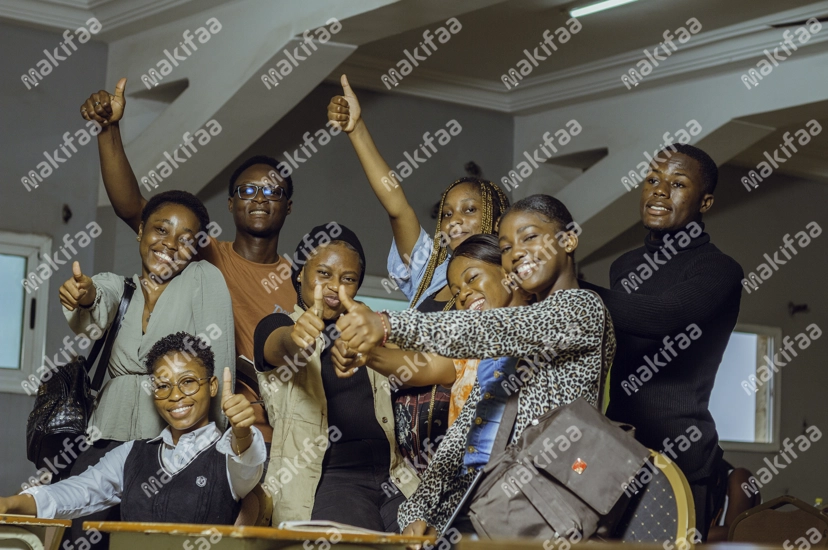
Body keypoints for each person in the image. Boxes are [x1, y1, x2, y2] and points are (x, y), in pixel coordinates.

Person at [334, 195, 616, 536]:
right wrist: (416, 511)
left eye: (529, 237)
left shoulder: (582, 308)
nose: (517, 253)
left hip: (547, 511)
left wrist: (389, 324)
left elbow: (501, 327)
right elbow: (464, 437)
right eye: (508, 247)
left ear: (568, 239)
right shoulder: (506, 355)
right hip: (487, 508)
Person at [81, 78, 297, 443]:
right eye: (247, 190)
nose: (259, 199)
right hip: (193, 426)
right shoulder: (202, 253)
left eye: (273, 191)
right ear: (231, 203)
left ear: (287, 207)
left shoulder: (302, 281)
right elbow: (133, 208)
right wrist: (108, 129)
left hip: (272, 434)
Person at [327, 74, 511, 472]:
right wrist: (356, 130)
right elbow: (397, 206)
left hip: (462, 434)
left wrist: (372, 351)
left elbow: (439, 367)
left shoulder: (506, 283)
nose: (455, 220)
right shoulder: (431, 268)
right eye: (446, 213)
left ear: (495, 218)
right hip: (403, 432)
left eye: (469, 210)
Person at [578, 144, 743, 540]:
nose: (659, 190)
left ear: (705, 201)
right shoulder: (625, 266)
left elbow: (664, 318)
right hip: (618, 449)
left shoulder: (718, 269)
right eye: (652, 180)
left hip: (683, 456)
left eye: (677, 183)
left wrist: (572, 290)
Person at [56, 190, 235, 548]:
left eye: (186, 240)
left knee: (148, 544)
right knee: (81, 539)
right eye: (161, 230)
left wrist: (213, 454)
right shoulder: (120, 286)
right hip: (104, 437)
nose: (170, 244)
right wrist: (85, 294)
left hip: (169, 447)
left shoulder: (202, 278)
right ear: (140, 231)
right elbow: (96, 301)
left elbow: (221, 367)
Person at [0, 332, 265, 525]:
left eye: (188, 382)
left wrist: (242, 431)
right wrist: (10, 503)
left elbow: (246, 464)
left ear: (213, 386)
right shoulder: (132, 454)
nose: (175, 395)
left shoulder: (228, 453)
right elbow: (78, 492)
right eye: (163, 385)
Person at [253, 223, 418, 531]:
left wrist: (375, 336)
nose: (334, 287)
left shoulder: (367, 329)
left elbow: (416, 367)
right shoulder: (278, 323)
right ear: (300, 273)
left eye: (348, 279)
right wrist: (297, 336)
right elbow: (279, 344)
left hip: (395, 477)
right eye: (324, 274)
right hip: (334, 480)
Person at [337, 234, 530, 426]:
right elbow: (426, 365)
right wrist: (369, 356)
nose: (463, 294)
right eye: (456, 292)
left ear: (506, 271)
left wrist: (384, 323)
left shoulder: (541, 324)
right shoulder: (466, 351)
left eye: (472, 278)